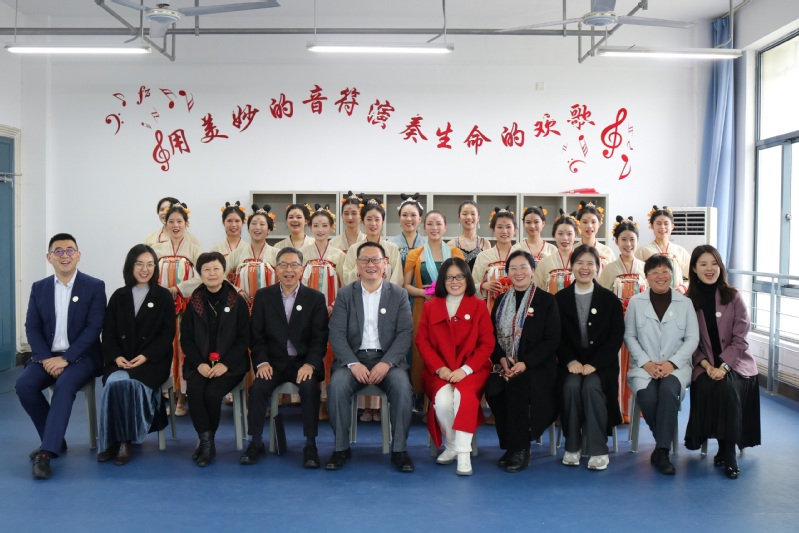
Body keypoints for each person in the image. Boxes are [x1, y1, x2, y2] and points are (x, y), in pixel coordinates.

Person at [16, 233, 106, 479]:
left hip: (83, 356)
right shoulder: (39, 288)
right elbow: (32, 326)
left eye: (69, 250)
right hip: (47, 356)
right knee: (24, 385)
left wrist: (66, 358)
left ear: (78, 255)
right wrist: (46, 358)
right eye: (58, 251)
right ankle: (55, 439)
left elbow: (94, 328)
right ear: (49, 257)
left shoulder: (94, 286)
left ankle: (46, 453)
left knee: (65, 384)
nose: (64, 255)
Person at [326, 242, 415, 472]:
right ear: (357, 264)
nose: (370, 264)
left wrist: (386, 363)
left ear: (385, 264)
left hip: (388, 361)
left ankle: (399, 450)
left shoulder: (398, 294)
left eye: (376, 260)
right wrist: (352, 363)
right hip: (353, 360)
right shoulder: (346, 294)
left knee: (402, 387)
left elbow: (405, 333)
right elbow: (336, 333)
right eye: (365, 260)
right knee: (337, 385)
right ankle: (340, 448)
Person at [241, 247, 329, 468]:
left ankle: (310, 444)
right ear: (276, 269)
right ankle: (255, 442)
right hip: (273, 363)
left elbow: (319, 339)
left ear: (302, 269)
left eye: (294, 265)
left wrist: (310, 364)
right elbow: (256, 336)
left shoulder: (315, 298)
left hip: (303, 363)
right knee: (258, 388)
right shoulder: (263, 296)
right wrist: (262, 362)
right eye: (283, 265)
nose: (289, 270)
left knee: (309, 389)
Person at [684, 245, 761, 479]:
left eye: (714, 263)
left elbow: (740, 339)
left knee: (726, 387)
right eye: (703, 264)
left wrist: (724, 367)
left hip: (736, 364)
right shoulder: (688, 301)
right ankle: (723, 448)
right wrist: (708, 366)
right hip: (704, 366)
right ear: (694, 269)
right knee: (709, 385)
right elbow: (688, 342)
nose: (709, 269)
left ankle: (727, 453)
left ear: (721, 267)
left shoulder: (733, 296)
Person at [98, 244, 176, 465]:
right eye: (139, 264)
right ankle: (110, 440)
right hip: (121, 359)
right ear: (130, 266)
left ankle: (125, 440)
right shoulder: (118, 296)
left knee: (132, 385)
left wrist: (146, 356)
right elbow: (108, 332)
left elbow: (167, 334)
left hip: (152, 361)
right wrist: (115, 357)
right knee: (114, 384)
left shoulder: (163, 296)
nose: (145, 269)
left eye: (150, 264)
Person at [415, 258, 493, 476]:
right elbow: (423, 342)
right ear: (442, 281)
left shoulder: (478, 306)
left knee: (462, 397)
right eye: (449, 277)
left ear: (467, 279)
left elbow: (487, 343)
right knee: (442, 402)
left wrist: (465, 370)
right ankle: (450, 445)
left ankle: (463, 454)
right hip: (440, 370)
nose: (455, 281)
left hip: (471, 370)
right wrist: (440, 368)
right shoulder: (431, 307)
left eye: (459, 276)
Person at [485, 250, 560, 473]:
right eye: (513, 268)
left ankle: (520, 448)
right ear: (507, 273)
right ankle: (510, 444)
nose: (518, 272)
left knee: (517, 387)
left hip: (537, 367)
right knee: (493, 388)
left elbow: (552, 340)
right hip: (505, 365)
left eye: (523, 267)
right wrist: (501, 359)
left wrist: (525, 363)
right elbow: (491, 336)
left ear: (533, 270)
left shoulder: (546, 301)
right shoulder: (501, 301)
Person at [625, 255, 699, 475]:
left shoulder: (685, 303)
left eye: (665, 271)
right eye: (654, 272)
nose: (660, 276)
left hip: (676, 367)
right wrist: (646, 363)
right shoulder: (636, 302)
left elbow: (692, 339)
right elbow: (629, 336)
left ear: (672, 275)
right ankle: (662, 446)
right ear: (646, 277)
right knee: (648, 397)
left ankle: (662, 452)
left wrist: (672, 364)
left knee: (668, 391)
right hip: (644, 367)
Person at [555, 245, 624, 471]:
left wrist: (595, 364)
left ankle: (598, 449)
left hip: (601, 366)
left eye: (590, 263)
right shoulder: (559, 299)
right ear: (571, 266)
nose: (584, 268)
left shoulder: (610, 300)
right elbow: (556, 337)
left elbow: (615, 338)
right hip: (571, 365)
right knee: (571, 386)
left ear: (597, 267)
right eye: (579, 263)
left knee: (591, 387)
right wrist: (570, 361)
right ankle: (572, 446)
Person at [180, 252, 249, 467]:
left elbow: (244, 338)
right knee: (195, 391)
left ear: (224, 271)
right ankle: (207, 442)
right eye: (207, 270)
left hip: (230, 365)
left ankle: (206, 444)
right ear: (200, 274)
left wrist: (225, 364)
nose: (212, 273)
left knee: (212, 394)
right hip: (199, 364)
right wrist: (199, 364)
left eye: (216, 268)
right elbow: (186, 339)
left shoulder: (237, 301)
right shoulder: (194, 302)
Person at [404, 211, 464, 395]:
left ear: (445, 227)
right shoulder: (415, 254)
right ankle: (420, 398)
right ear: (424, 227)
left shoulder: (455, 253)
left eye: (438, 224)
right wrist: (424, 293)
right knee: (422, 350)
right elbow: (405, 285)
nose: (434, 228)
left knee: (448, 350)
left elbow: (463, 282)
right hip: (423, 307)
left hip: (451, 309)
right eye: (430, 224)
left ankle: (449, 395)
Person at [152, 202, 203, 416]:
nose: (175, 225)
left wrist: (179, 288)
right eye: (171, 221)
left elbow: (203, 275)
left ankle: (182, 397)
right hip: (161, 307)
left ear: (186, 223)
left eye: (179, 221)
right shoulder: (156, 249)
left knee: (183, 349)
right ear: (165, 223)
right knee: (163, 348)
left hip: (185, 306)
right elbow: (146, 273)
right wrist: (160, 291)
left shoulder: (194, 249)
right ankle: (167, 396)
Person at [598, 216, 647, 423]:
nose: (628, 244)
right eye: (623, 239)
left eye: (632, 239)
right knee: (618, 367)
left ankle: (636, 408)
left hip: (640, 327)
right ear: (616, 241)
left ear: (638, 241)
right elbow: (601, 298)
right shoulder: (610, 269)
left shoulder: (644, 267)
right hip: (617, 326)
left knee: (637, 367)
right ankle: (618, 409)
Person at [301, 204, 346, 420]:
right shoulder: (302, 254)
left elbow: (345, 283)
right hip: (308, 312)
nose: (320, 230)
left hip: (333, 309)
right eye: (316, 225)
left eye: (325, 225)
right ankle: (311, 397)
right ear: (310, 227)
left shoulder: (339, 254)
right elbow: (298, 283)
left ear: (332, 228)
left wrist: (334, 304)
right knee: (310, 349)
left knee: (330, 353)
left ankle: (328, 400)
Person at [225, 204, 279, 314]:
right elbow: (221, 275)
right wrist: (236, 290)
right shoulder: (237, 253)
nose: (257, 227)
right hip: (241, 306)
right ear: (248, 229)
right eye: (253, 224)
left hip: (270, 307)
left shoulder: (277, 254)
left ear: (269, 229)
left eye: (262, 224)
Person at [342, 198, 404, 286]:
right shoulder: (353, 249)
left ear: (383, 222)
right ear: (363, 221)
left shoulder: (392, 248)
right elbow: (346, 278)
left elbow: (397, 278)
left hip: (386, 293)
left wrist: (386, 292)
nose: (373, 223)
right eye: (369, 219)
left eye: (377, 219)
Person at [635, 206, 691, 294]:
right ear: (651, 226)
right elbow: (637, 279)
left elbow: (695, 276)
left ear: (672, 226)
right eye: (658, 223)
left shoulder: (680, 251)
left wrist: (683, 287)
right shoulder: (643, 251)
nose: (662, 227)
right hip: (651, 297)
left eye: (666, 223)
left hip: (676, 297)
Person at [472, 207, 516, 312]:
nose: (504, 231)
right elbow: (472, 285)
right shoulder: (483, 256)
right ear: (493, 229)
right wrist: (483, 285)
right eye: (500, 227)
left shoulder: (521, 256)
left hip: (516, 310)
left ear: (515, 230)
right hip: (489, 310)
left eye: (508, 227)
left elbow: (530, 284)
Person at [533, 210, 579, 294]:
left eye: (569, 234)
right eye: (560, 234)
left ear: (575, 235)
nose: (565, 238)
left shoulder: (582, 262)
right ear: (554, 235)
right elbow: (536, 291)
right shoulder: (544, 263)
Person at [448, 200, 492, 270]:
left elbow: (488, 270)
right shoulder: (451, 244)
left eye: (473, 214)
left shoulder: (485, 244)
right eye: (465, 214)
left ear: (478, 217)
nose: (469, 217)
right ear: (459, 217)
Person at [387, 192, 427, 269]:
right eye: (404, 215)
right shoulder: (391, 243)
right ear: (399, 218)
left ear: (420, 219)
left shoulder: (427, 244)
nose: (409, 219)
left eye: (413, 215)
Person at [575, 201, 616, 269]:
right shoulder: (573, 250)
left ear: (599, 223)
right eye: (585, 222)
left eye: (593, 222)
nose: (589, 226)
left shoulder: (607, 252)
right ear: (579, 224)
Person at [210, 201, 248, 267]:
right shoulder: (215, 250)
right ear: (223, 222)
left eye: (237, 221)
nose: (233, 225)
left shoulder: (249, 249)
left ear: (243, 222)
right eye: (229, 221)